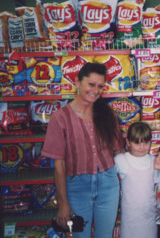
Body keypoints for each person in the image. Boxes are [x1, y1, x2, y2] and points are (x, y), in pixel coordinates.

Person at [41, 63, 125, 238]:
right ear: (77, 82)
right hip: (77, 188)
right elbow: (59, 165)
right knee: (80, 235)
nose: (95, 90)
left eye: (100, 86)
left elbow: (119, 152)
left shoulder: (108, 113)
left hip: (108, 185)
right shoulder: (60, 118)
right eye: (91, 84)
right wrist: (63, 203)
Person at [114, 121, 160, 238]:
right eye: (137, 143)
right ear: (128, 142)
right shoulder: (121, 160)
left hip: (149, 217)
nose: (142, 147)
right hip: (130, 218)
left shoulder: (153, 161)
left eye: (146, 142)